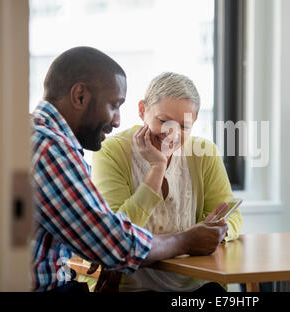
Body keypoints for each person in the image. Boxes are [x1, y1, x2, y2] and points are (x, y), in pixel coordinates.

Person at [30, 47, 228, 292]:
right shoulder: (52, 148)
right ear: (79, 96)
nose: (117, 120)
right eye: (113, 105)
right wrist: (186, 240)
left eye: (184, 126)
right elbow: (112, 245)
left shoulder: (41, 137)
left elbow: (97, 238)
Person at [79, 72, 243, 292]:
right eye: (164, 121)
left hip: (195, 285)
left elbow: (233, 218)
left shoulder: (204, 153)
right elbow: (116, 232)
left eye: (184, 126)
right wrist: (157, 169)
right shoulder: (112, 152)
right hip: (135, 287)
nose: (171, 134)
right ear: (142, 111)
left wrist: (217, 230)